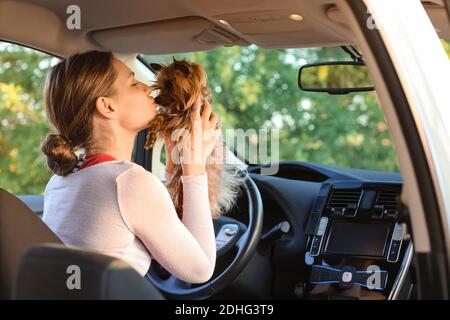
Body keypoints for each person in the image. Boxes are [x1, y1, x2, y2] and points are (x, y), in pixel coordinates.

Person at [41, 50, 220, 284]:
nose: (148, 88)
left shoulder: (62, 179)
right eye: (134, 83)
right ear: (107, 106)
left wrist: (173, 166)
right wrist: (194, 167)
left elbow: (141, 215)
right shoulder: (128, 182)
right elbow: (200, 270)